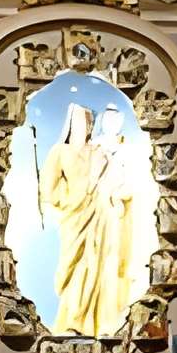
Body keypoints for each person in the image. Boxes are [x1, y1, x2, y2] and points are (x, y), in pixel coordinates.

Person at [38, 102, 145, 338]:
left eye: (88, 122)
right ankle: (73, 321)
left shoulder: (97, 150)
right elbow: (48, 191)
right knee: (77, 269)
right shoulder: (59, 152)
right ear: (70, 123)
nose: (84, 126)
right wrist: (72, 200)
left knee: (100, 267)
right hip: (74, 221)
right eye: (79, 120)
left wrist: (115, 197)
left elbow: (118, 181)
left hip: (101, 218)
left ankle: (100, 322)